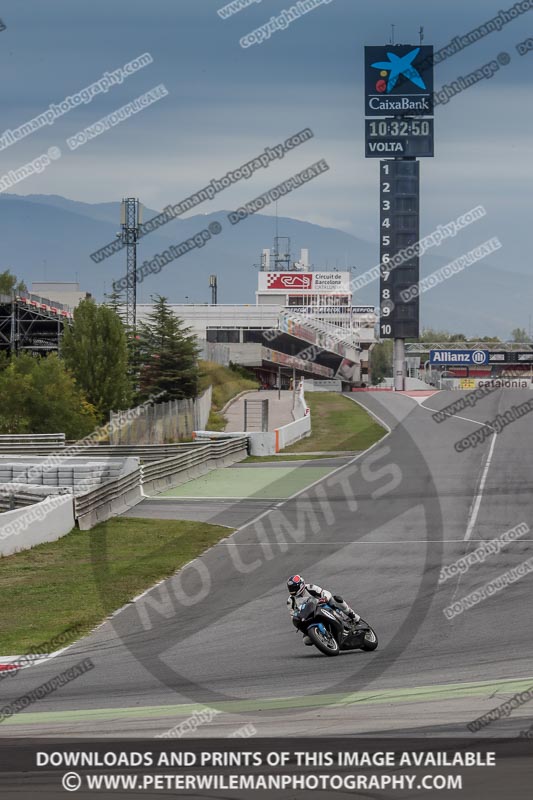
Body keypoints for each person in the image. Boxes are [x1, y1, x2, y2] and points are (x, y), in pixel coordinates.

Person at [286, 575, 360, 645]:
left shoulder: (310, 587)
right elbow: (293, 615)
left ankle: (355, 617)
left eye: (294, 588)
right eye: (290, 588)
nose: (292, 590)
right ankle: (325, 640)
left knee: (336, 599)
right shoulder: (290, 601)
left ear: (301, 585)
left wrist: (325, 598)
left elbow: (325, 592)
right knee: (306, 640)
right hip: (309, 617)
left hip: (321, 607)